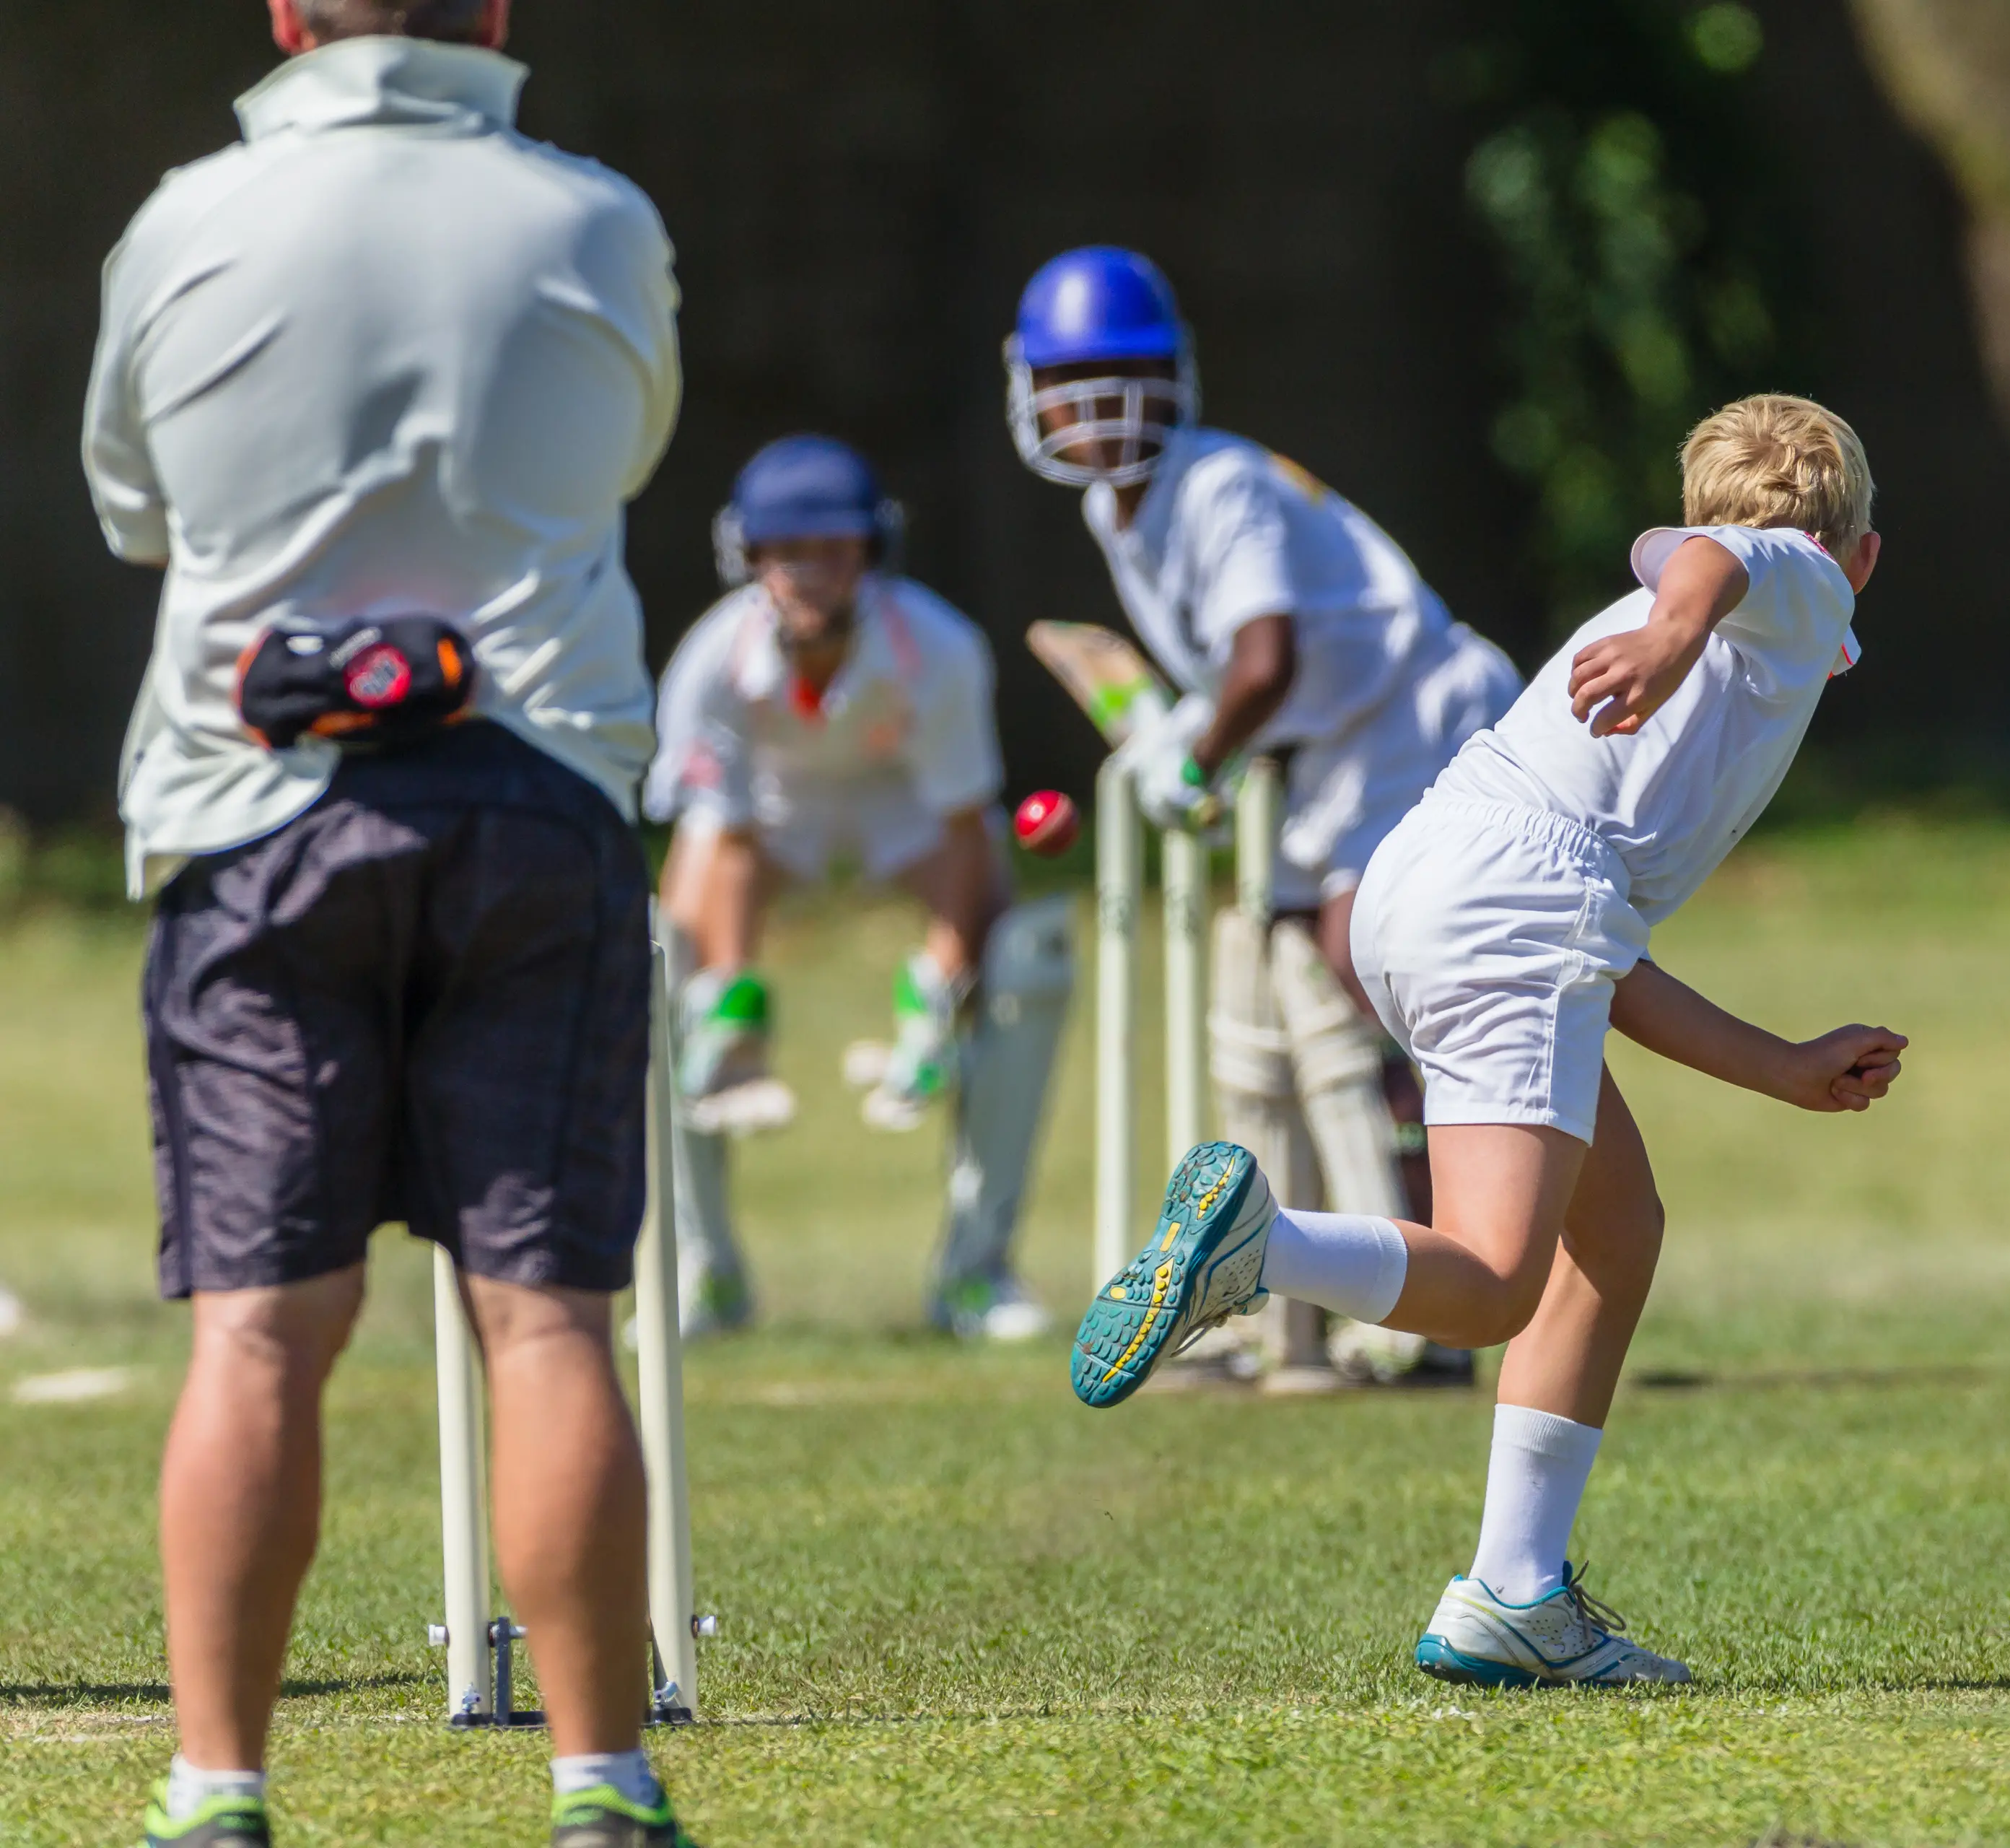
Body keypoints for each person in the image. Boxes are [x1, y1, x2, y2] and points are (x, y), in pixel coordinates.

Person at [82, 1, 694, 1842]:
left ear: (283, 15)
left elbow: (133, 510)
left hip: (253, 813)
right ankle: (601, 1777)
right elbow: (625, 452)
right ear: (495, 14)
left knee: (261, 1332)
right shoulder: (596, 219)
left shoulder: (183, 221)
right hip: (534, 797)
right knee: (548, 1320)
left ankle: (219, 1788)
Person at [1070, 394, 1910, 1686]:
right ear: (1864, 555)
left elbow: (1598, 957)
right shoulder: (1796, 591)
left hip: (1427, 883)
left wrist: (1781, 1066)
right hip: (1515, 904)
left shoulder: (1682, 623)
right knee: (1493, 1279)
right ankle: (1262, 1249)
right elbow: (1734, 560)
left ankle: (1515, 1595)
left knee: (1612, 1234)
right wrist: (1681, 628)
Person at [1007, 245, 1519, 1387]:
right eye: (1071, 380)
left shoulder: (1220, 484)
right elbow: (1248, 675)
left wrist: (1194, 755)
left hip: (1413, 713)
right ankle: (1287, 1298)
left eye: (1121, 375)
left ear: (1171, 378)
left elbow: (1267, 661)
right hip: (1332, 751)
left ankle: (1451, 1283)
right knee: (1278, 988)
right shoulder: (1115, 507)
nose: (1096, 408)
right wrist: (1188, 734)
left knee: (1364, 967)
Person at [645, 435, 1068, 1341]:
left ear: (870, 553)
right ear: (750, 557)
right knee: (656, 963)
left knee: (1025, 964)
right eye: (787, 553)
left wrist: (934, 992)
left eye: (833, 551)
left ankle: (975, 1272)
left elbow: (963, 830)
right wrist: (731, 1000)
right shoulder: (710, 662)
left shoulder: (940, 649)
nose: (810, 574)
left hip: (903, 810)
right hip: (769, 813)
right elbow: (725, 838)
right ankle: (704, 1270)